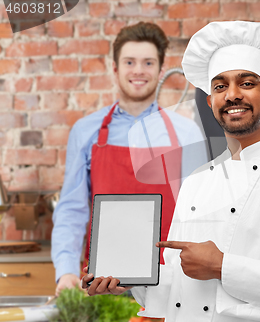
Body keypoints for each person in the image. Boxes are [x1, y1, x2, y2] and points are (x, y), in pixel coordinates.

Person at [82, 21, 260, 321]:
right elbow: (177, 292)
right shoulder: (197, 182)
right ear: (210, 102)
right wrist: (131, 281)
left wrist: (223, 267)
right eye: (220, 86)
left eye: (246, 83)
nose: (232, 95)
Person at [52, 22, 208, 296]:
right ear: (115, 68)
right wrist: (65, 271)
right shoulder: (86, 131)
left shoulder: (187, 133)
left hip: (170, 284)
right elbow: (72, 209)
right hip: (103, 283)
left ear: (160, 71)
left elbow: (199, 214)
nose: (138, 70)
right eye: (130, 62)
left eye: (148, 62)